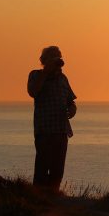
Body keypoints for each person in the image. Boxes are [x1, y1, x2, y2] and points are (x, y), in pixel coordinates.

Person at [27, 46, 77, 191]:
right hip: (44, 131)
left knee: (58, 169)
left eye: (58, 57)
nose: (58, 60)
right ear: (44, 61)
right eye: (53, 57)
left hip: (61, 131)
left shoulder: (62, 78)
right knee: (42, 167)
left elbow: (71, 101)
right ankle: (38, 198)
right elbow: (33, 91)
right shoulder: (35, 75)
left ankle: (53, 199)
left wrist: (73, 108)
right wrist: (46, 73)